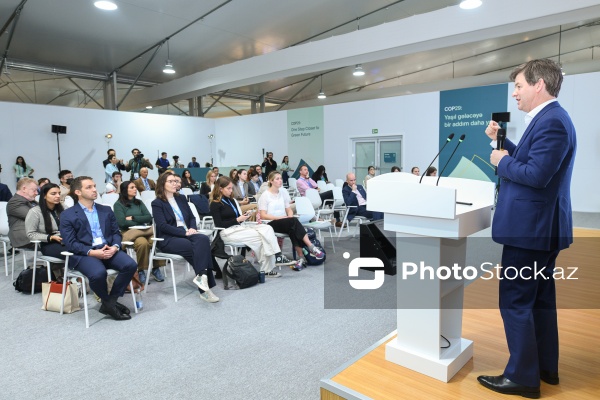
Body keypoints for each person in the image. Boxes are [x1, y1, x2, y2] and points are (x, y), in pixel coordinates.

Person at [477, 59, 576, 399]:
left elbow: (535, 176)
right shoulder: (550, 120)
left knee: (516, 302)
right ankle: (545, 368)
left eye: (519, 86)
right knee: (539, 302)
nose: (515, 93)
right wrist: (501, 144)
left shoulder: (553, 123)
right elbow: (535, 163)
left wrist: (501, 161)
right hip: (540, 229)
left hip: (530, 231)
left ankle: (522, 377)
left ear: (539, 85)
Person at [60, 176, 137, 321]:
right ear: (77, 192)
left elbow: (116, 233)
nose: (94, 189)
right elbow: (71, 243)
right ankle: (108, 302)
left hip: (108, 248)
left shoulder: (106, 210)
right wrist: (92, 252)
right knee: (98, 274)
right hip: (85, 253)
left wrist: (114, 247)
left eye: (94, 186)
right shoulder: (67, 215)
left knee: (130, 265)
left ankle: (110, 302)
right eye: (88, 187)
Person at [151, 171, 219, 303]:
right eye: (171, 181)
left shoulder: (181, 198)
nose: (175, 183)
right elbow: (162, 226)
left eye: (176, 181)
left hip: (187, 233)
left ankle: (202, 278)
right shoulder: (157, 203)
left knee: (203, 240)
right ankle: (205, 289)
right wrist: (184, 233)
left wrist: (192, 228)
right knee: (196, 248)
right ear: (162, 184)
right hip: (168, 238)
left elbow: (192, 217)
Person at [209, 177, 294, 277]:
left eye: (231, 188)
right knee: (262, 237)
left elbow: (235, 217)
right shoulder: (215, 204)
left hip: (239, 227)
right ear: (220, 188)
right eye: (229, 188)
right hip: (227, 232)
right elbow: (219, 225)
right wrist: (237, 220)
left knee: (267, 228)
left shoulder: (231, 200)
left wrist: (244, 215)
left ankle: (277, 256)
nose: (231, 191)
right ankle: (268, 268)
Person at [258, 172, 324, 271]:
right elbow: (263, 215)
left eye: (280, 178)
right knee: (293, 222)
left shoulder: (282, 193)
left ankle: (301, 258)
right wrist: (280, 218)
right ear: (271, 181)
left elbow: (288, 209)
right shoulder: (265, 195)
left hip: (284, 222)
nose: (280, 180)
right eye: (277, 179)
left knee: (293, 229)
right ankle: (311, 247)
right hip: (271, 222)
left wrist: (288, 217)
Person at [113, 181, 164, 284]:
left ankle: (155, 267)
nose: (135, 189)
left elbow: (148, 217)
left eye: (135, 187)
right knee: (142, 243)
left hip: (144, 230)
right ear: (124, 190)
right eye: (132, 187)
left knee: (155, 239)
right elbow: (122, 223)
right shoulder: (118, 205)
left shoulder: (139, 203)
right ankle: (141, 270)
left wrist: (133, 217)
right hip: (129, 232)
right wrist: (140, 219)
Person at [25, 183, 65, 263]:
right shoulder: (35, 212)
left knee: (87, 250)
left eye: (59, 193)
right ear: (44, 196)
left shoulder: (64, 208)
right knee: (74, 254)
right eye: (53, 194)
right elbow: (31, 234)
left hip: (66, 240)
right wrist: (50, 237)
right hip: (49, 244)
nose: (58, 196)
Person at [7, 178, 39, 250]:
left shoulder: (31, 201)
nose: (36, 193)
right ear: (24, 188)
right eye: (34, 190)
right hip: (24, 237)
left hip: (36, 233)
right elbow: (35, 217)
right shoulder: (14, 202)